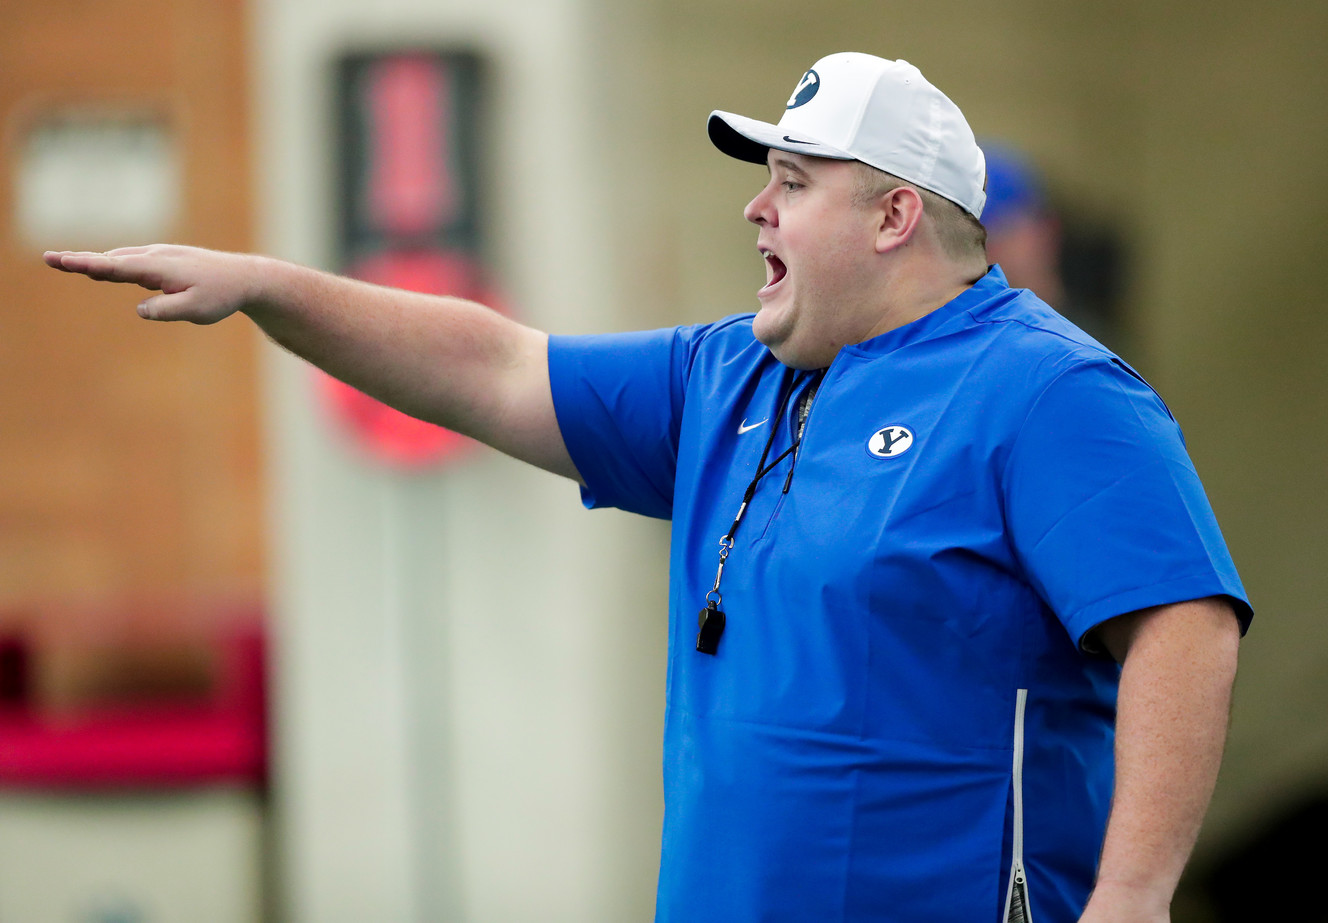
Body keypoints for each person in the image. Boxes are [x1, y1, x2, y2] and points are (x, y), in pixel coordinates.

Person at [45, 52, 1249, 923]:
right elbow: (498, 362)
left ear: (892, 214)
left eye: (790, 179)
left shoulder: (1046, 391)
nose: (754, 206)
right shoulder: (730, 369)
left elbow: (1181, 626)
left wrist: (1131, 902)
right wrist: (273, 286)